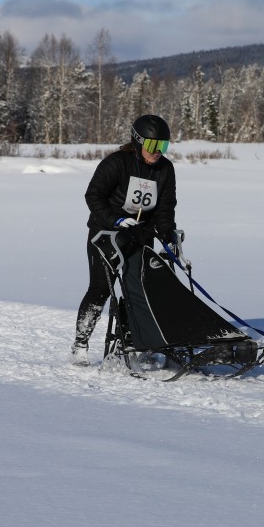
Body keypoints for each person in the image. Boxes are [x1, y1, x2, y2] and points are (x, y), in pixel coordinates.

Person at [71, 114, 179, 365]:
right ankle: (80, 343)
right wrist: (115, 220)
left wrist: (167, 232)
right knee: (100, 289)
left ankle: (129, 341)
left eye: (163, 146)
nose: (158, 152)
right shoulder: (117, 163)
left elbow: (165, 207)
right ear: (138, 142)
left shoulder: (166, 169)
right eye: (153, 146)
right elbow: (93, 196)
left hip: (140, 234)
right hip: (106, 234)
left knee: (139, 289)